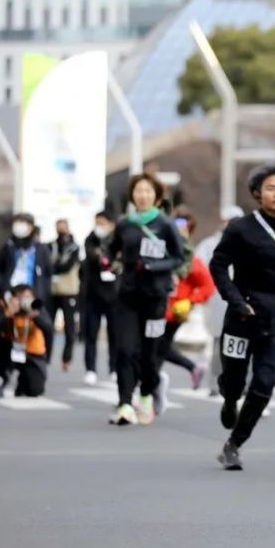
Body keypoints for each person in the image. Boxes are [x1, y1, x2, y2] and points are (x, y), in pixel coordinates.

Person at [209, 164, 275, 471]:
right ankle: (229, 399)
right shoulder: (240, 228)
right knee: (235, 381)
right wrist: (236, 301)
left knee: (264, 384)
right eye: (270, 188)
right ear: (257, 193)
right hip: (243, 315)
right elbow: (218, 266)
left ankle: (234, 444)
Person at [107, 174, 185, 426]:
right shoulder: (124, 224)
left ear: (157, 196)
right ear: (132, 195)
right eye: (138, 191)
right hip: (128, 295)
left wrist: (155, 266)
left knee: (150, 353)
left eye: (148, 191)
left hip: (156, 297)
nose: (142, 195)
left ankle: (147, 395)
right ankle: (125, 403)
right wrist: (109, 261)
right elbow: (111, 249)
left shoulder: (165, 224)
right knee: (125, 350)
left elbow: (179, 257)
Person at [155, 209, 216, 412]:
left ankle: (151, 388)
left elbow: (208, 287)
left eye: (184, 226)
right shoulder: (161, 249)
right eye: (176, 224)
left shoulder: (191, 260)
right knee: (156, 349)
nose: (179, 230)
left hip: (174, 313)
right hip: (153, 307)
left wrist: (189, 301)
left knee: (157, 350)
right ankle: (191, 368)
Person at [0, 213, 53, 398]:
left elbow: (48, 275)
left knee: (35, 389)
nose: (20, 227)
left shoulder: (41, 249)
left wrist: (37, 303)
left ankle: (28, 378)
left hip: (32, 296)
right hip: (9, 296)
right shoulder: (7, 247)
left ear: (32, 227)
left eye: (24, 223)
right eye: (17, 223)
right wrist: (5, 298)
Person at [196, 206, 244, 397]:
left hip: (243, 297)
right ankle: (216, 381)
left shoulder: (249, 241)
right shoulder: (210, 244)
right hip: (218, 299)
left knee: (243, 343)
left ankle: (241, 383)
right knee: (219, 341)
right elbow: (199, 269)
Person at [0, 284, 52, 397]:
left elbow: (48, 328)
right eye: (21, 297)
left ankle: (23, 384)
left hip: (31, 352)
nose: (25, 301)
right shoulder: (4, 306)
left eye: (28, 297)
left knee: (35, 389)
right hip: (8, 349)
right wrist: (7, 314)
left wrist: (36, 316)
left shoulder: (37, 307)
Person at [82, 212, 119, 385]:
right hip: (93, 294)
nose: (99, 227)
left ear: (111, 224)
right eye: (97, 223)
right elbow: (93, 257)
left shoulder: (119, 240)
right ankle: (90, 369)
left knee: (115, 335)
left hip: (114, 295)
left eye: (103, 223)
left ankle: (114, 368)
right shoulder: (90, 240)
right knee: (91, 333)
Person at [48, 219, 81, 371]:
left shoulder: (74, 247)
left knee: (69, 328)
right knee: (48, 326)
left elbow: (67, 266)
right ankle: (45, 356)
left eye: (63, 227)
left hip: (69, 291)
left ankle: (66, 359)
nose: (61, 230)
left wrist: (56, 266)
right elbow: (48, 265)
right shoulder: (52, 246)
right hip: (53, 291)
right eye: (58, 227)